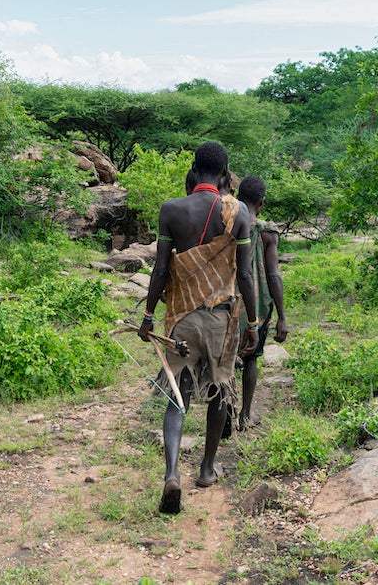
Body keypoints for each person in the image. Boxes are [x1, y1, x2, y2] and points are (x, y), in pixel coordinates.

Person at [139, 142, 258, 515]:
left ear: (194, 168)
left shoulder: (171, 209)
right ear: (225, 173)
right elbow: (246, 273)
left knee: (178, 394)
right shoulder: (238, 213)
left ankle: (172, 473)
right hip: (222, 318)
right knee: (220, 389)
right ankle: (206, 469)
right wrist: (253, 322)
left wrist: (147, 316)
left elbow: (160, 269)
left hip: (181, 318)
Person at [234, 176, 288, 431]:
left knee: (225, 361)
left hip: (225, 302)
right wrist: (282, 317)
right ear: (261, 203)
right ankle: (245, 415)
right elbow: (273, 274)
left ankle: (224, 411)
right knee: (251, 359)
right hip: (256, 305)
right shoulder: (267, 231)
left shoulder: (226, 222)